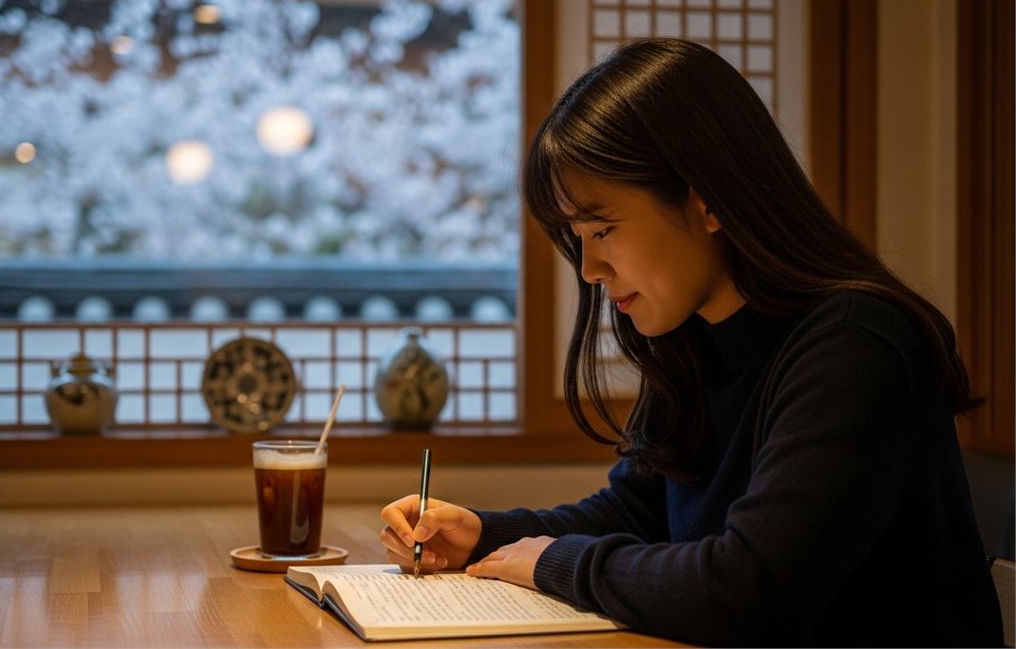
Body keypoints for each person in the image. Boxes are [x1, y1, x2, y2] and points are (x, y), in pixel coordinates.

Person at [378, 38, 1003, 647]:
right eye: (578, 238)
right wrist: (485, 535)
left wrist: (555, 562)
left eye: (603, 229)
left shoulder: (854, 344)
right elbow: (639, 513)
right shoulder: (693, 340)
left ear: (706, 202)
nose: (589, 269)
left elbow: (747, 591)